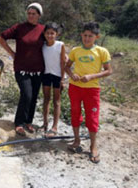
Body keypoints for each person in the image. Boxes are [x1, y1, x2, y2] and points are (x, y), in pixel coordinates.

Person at [64, 22, 112, 164]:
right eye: (84, 35)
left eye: (90, 36)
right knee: (75, 113)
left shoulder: (102, 51)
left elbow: (109, 70)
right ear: (81, 35)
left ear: (96, 37)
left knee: (92, 117)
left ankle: (93, 146)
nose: (87, 38)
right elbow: (67, 67)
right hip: (75, 87)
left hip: (92, 89)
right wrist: (72, 75)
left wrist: (92, 76)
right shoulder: (75, 50)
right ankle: (77, 140)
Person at [0, 3, 45, 136]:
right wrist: (12, 53)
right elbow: (0, 38)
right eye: (29, 13)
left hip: (38, 70)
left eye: (33, 13)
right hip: (21, 68)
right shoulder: (19, 28)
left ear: (39, 15)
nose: (30, 16)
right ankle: (19, 123)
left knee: (34, 97)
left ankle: (28, 122)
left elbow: (51, 43)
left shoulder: (43, 29)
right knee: (26, 94)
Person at [41, 22, 67, 138]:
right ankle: (45, 123)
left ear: (56, 34)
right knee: (46, 99)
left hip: (57, 75)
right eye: (48, 33)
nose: (50, 35)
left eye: (52, 33)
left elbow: (63, 62)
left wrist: (62, 79)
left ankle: (55, 126)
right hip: (46, 74)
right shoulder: (42, 45)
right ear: (44, 33)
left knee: (56, 101)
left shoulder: (60, 45)